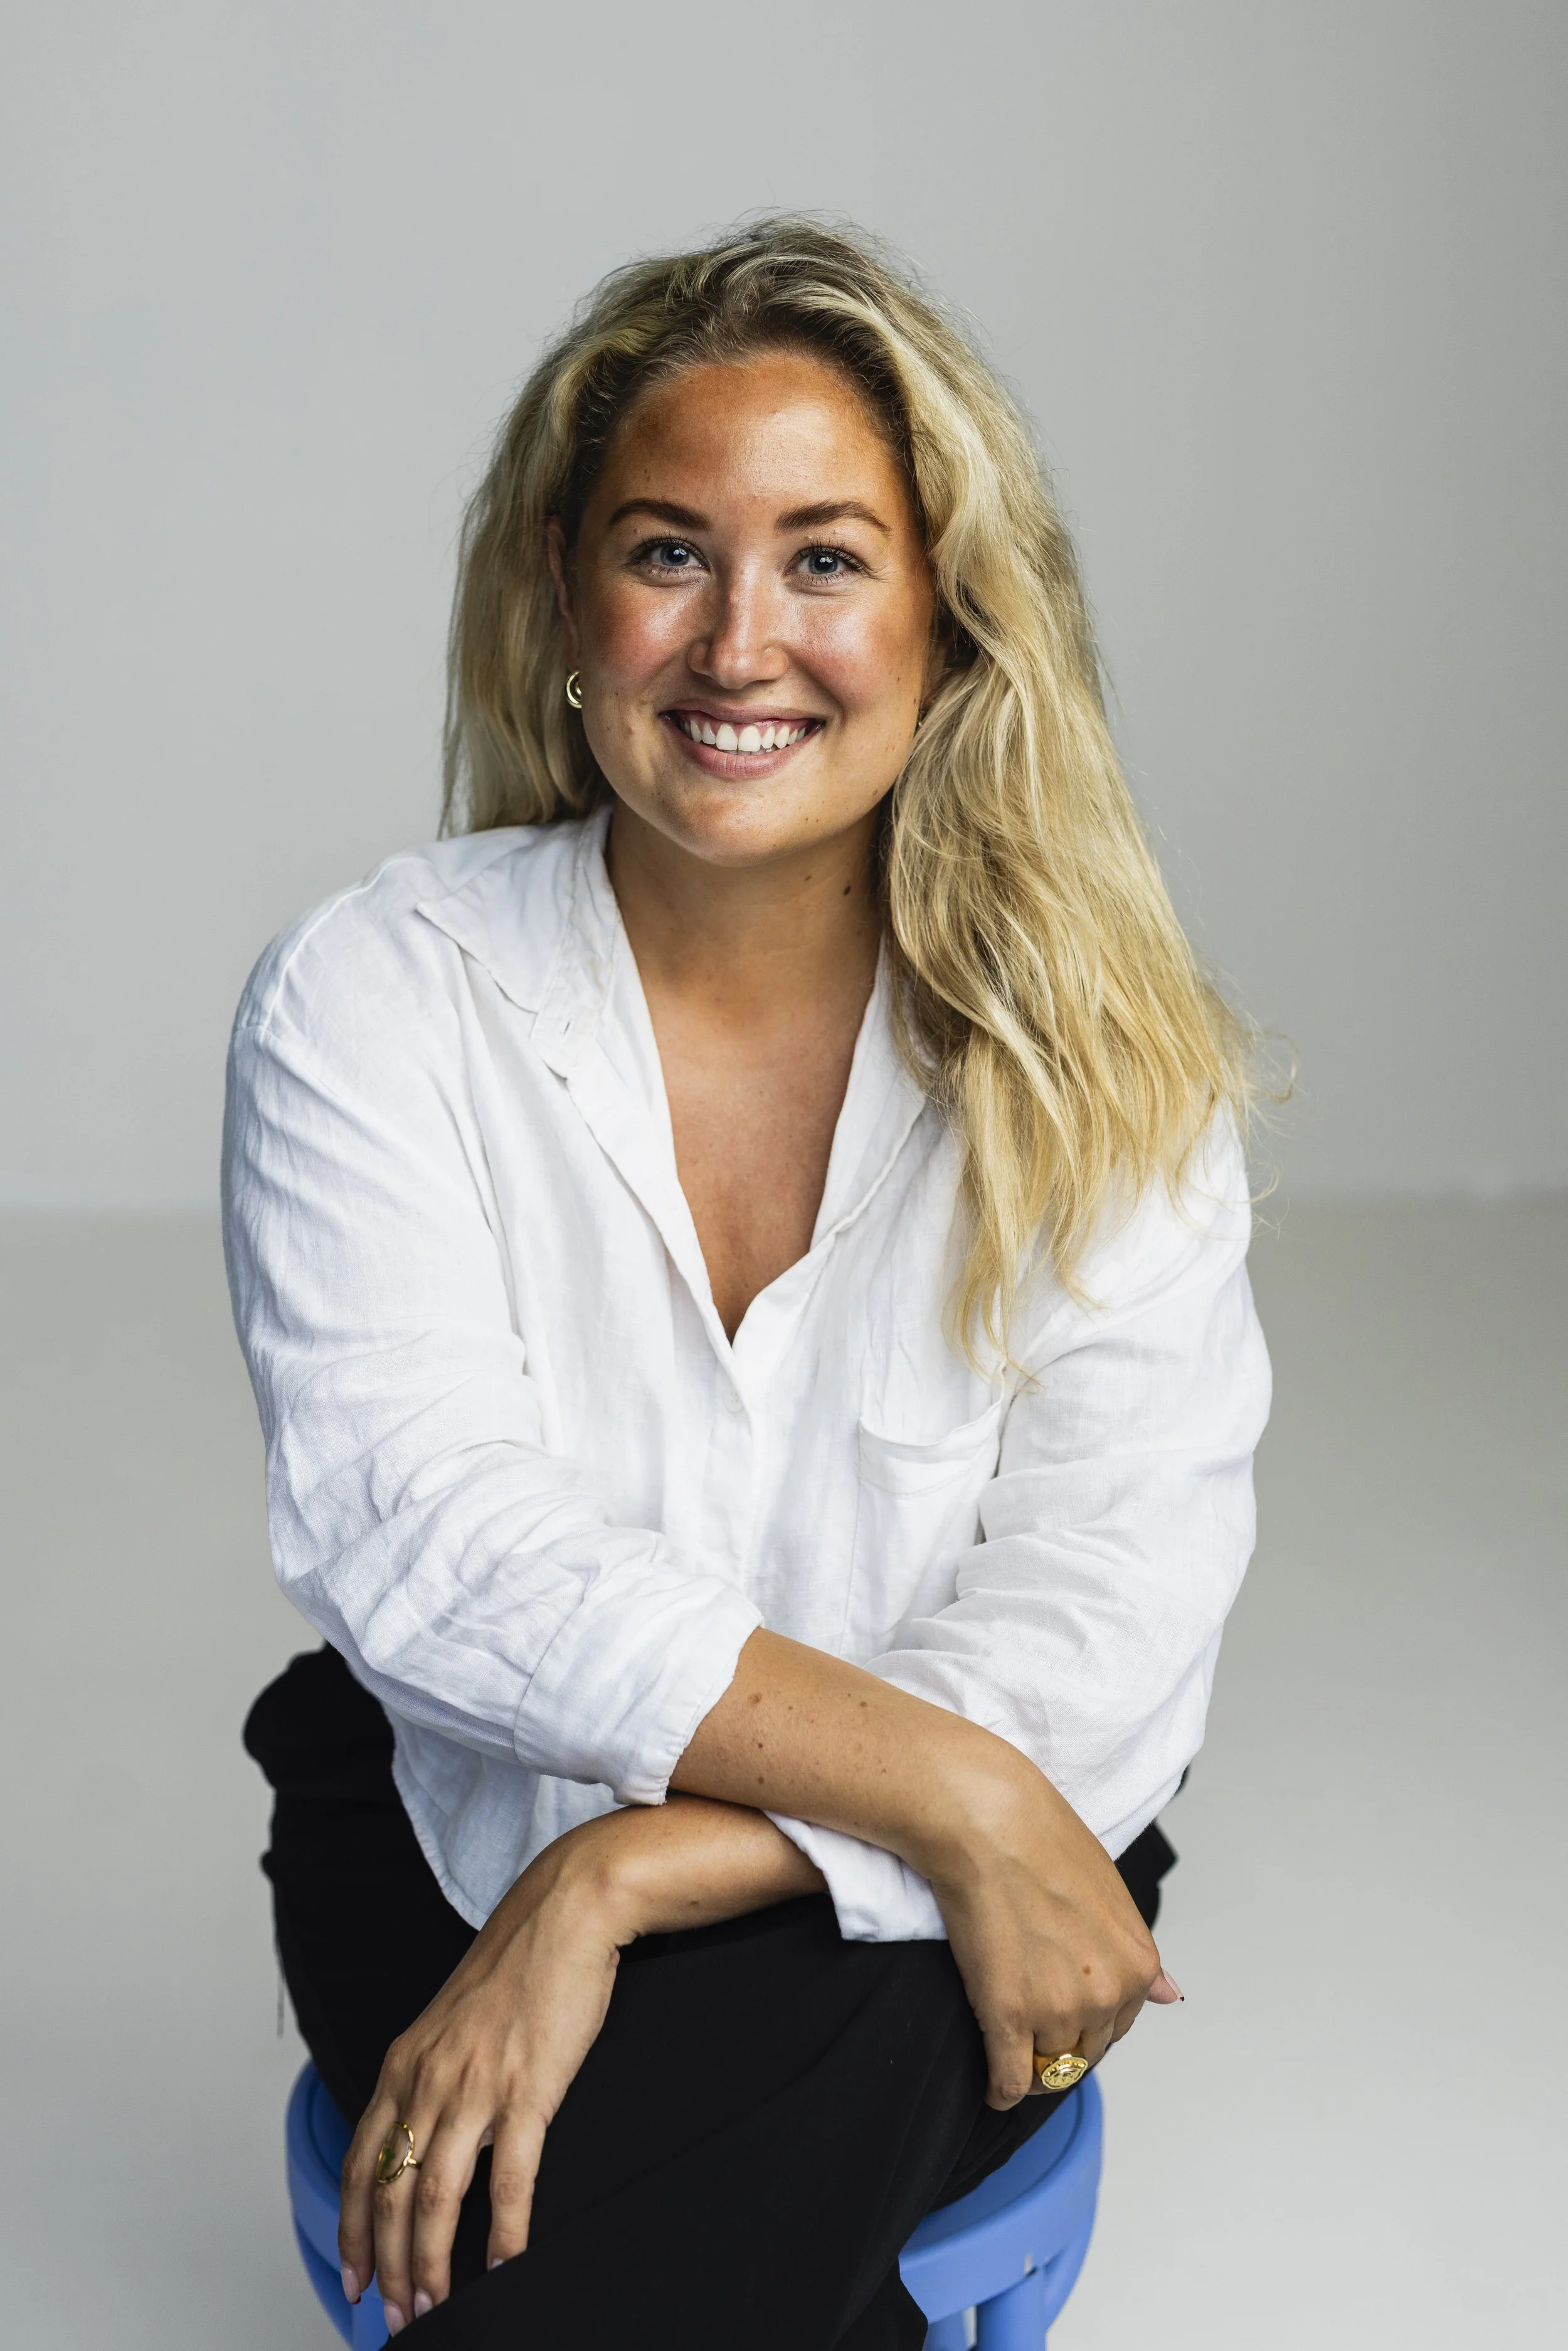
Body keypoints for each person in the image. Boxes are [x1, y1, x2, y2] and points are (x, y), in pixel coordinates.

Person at [227, 216, 1269, 2348]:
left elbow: (1107, 1619)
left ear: (946, 612)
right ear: (565, 594)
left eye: (824, 559)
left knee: (617, 2203)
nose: (737, 642)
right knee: (666, 2205)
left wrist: (624, 1872)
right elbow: (432, 1537)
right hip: (459, 1830)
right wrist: (931, 1789)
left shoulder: (1109, 1064)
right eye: (667, 552)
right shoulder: (373, 998)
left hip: (936, 1881)